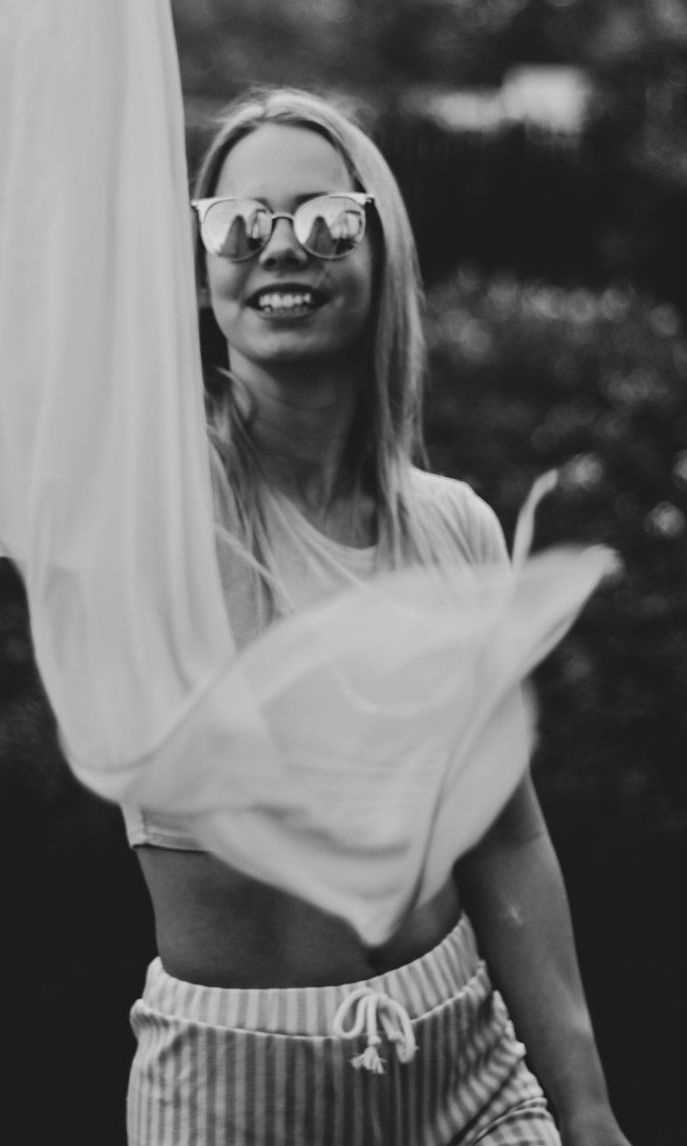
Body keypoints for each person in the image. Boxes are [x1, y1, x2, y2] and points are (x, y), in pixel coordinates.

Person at [123, 89, 630, 1146]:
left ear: (380, 249)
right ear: (201, 266)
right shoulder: (150, 513)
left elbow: (506, 837)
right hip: (238, 1097)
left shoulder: (455, 530)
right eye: (239, 223)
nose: (281, 248)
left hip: (467, 1070)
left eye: (322, 219)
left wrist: (585, 1111)